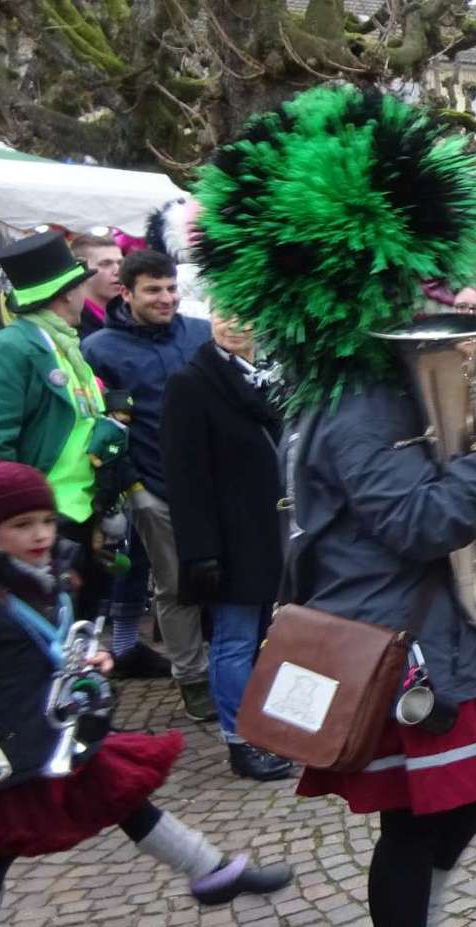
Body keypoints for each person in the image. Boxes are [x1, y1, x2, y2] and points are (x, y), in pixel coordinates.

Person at [194, 84, 476, 927]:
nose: (449, 296)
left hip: (429, 630)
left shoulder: (373, 385)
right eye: (423, 282)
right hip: (398, 643)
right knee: (418, 818)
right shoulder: (357, 401)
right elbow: (418, 521)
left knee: (470, 792)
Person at [0, 455, 291, 927]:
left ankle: (209, 869)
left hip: (52, 731)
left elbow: (50, 643)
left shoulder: (43, 577)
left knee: (121, 795)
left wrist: (89, 660)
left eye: (46, 521)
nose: (40, 535)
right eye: (22, 525)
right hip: (6, 748)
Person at [159, 314, 294, 781]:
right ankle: (240, 742)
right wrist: (201, 552)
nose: (235, 323)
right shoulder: (191, 383)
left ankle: (266, 727)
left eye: (246, 313)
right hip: (228, 539)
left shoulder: (269, 375)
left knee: (265, 637)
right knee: (233, 641)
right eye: (224, 312)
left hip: (270, 531)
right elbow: (184, 477)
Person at [82, 249, 216, 719]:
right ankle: (193, 679)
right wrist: (134, 488)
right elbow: (102, 428)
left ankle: (230, 666)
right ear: (126, 292)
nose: (167, 298)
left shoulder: (200, 333)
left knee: (229, 576)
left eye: (172, 288)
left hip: (213, 481)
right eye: (154, 290)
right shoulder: (99, 349)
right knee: (176, 584)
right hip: (153, 487)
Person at [0, 232, 126, 623]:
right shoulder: (11, 348)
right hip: (43, 523)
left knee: (80, 630)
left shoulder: (64, 345)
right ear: (68, 293)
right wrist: (20, 523)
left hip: (81, 519)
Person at [70, 234, 123, 337]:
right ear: (81, 270)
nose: (118, 271)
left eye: (120, 263)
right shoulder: (72, 323)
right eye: (105, 264)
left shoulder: (134, 313)